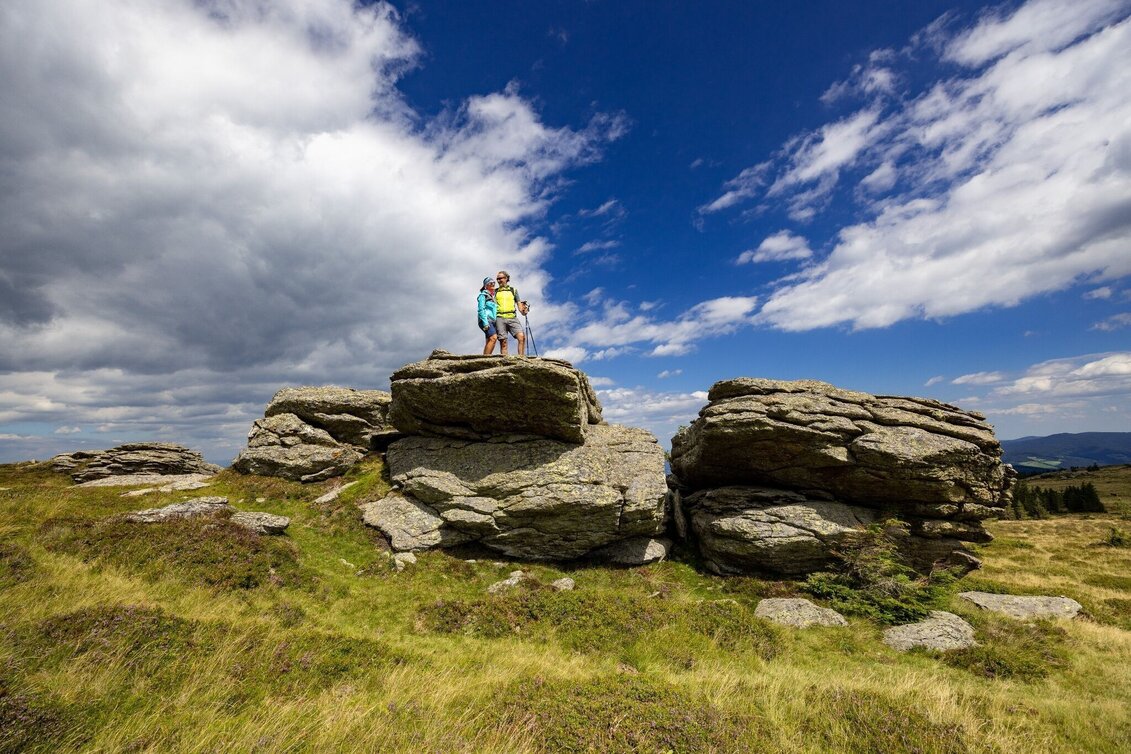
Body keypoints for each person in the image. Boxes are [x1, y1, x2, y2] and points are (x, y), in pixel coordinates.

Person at [493, 270, 528, 355]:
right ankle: (505, 362)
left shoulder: (513, 290)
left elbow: (519, 304)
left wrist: (524, 311)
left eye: (500, 278)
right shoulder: (495, 292)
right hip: (499, 318)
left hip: (512, 317)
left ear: (506, 278)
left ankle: (521, 359)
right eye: (497, 279)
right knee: (503, 342)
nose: (499, 280)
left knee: (522, 337)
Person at [477, 276, 498, 355]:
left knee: (489, 340)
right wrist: (485, 322)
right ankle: (486, 359)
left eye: (493, 282)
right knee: (493, 338)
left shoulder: (493, 297)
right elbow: (481, 309)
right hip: (486, 320)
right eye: (490, 283)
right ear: (486, 286)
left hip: (493, 321)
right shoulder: (482, 295)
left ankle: (485, 358)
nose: (493, 284)